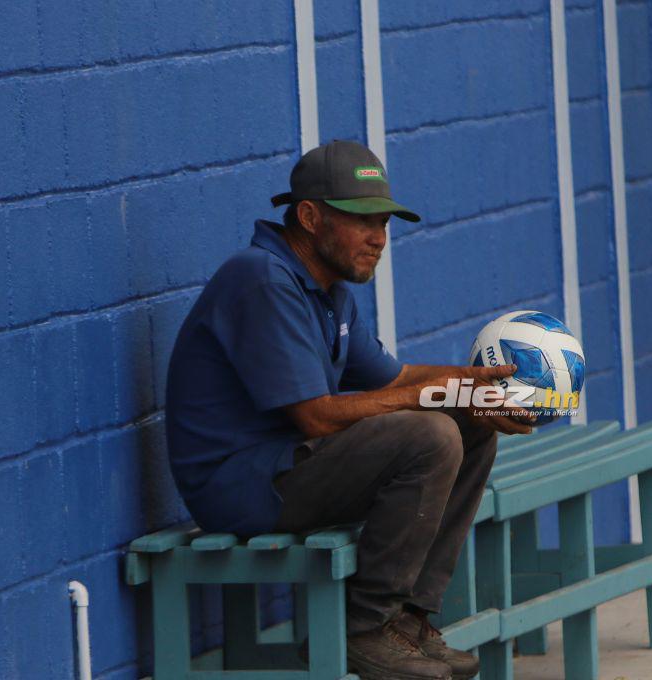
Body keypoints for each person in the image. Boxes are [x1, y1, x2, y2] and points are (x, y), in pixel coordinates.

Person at [165, 140, 534, 680]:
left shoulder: (329, 289)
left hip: (293, 466)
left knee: (468, 424)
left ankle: (407, 618)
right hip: (241, 487)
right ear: (310, 217)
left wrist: (471, 386)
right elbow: (315, 416)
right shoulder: (263, 279)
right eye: (362, 221)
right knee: (430, 434)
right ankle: (362, 627)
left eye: (384, 222)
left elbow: (396, 379)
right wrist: (429, 400)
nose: (379, 237)